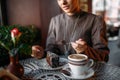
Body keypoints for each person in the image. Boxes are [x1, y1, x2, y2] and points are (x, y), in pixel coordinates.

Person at [44, 0, 109, 62]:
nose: (63, 2)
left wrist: (85, 50)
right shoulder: (55, 21)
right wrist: (42, 53)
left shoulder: (95, 20)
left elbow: (104, 56)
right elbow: (50, 50)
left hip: (86, 70)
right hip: (60, 71)